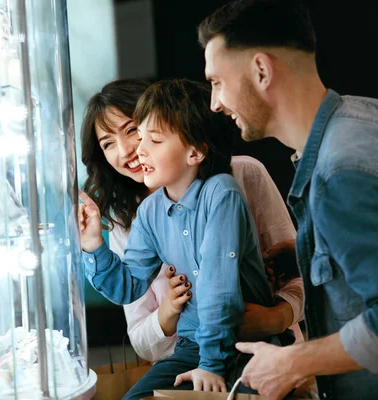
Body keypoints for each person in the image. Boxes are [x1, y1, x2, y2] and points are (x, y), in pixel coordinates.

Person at [199, 0, 378, 399]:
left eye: (217, 81)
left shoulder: (341, 173)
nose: (214, 103)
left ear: (262, 71)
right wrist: (310, 250)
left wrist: (292, 362)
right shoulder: (376, 117)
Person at [79, 78, 282, 398]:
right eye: (107, 143)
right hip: (191, 347)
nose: (134, 150)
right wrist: (93, 244)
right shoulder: (148, 212)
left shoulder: (223, 192)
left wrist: (212, 365)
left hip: (245, 343)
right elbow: (127, 287)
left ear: (195, 150)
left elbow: (219, 287)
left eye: (145, 135)